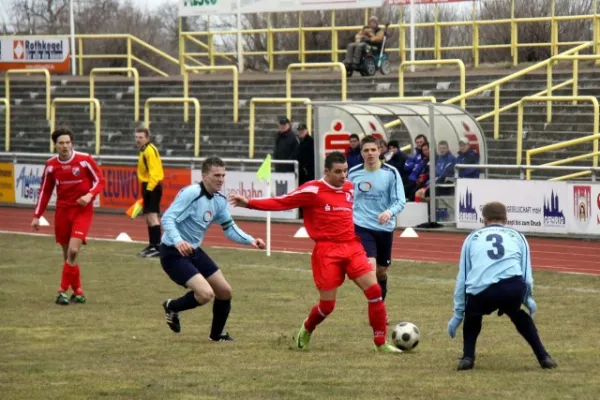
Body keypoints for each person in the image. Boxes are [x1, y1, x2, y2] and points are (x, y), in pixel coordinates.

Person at [229, 151, 401, 353]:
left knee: (374, 291)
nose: (343, 176)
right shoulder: (312, 190)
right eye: (338, 172)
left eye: (345, 171)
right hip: (327, 251)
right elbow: (281, 201)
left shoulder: (348, 188)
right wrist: (249, 203)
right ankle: (307, 328)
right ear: (326, 171)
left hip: (352, 246)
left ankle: (380, 343)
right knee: (327, 306)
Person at [159, 156, 266, 341]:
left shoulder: (219, 200)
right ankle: (172, 306)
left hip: (194, 251)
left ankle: (216, 336)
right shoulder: (191, 193)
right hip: (172, 253)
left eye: (223, 175)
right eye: (217, 175)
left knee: (224, 291)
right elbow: (167, 218)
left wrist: (251, 240)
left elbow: (229, 228)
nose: (221, 179)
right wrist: (178, 241)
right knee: (205, 294)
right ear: (204, 176)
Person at [447, 201, 557, 371]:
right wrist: (528, 299)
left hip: (482, 290)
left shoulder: (472, 238)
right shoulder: (518, 236)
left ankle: (468, 357)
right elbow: (526, 277)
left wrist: (458, 314)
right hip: (511, 287)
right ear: (506, 218)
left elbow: (463, 279)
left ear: (483, 220)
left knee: (472, 315)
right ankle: (544, 356)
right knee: (518, 314)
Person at [31, 128, 105, 305]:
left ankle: (61, 290)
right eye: (61, 143)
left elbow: (100, 181)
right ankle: (78, 291)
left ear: (72, 143)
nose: (65, 146)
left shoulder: (84, 160)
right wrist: (37, 215)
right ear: (55, 145)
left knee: (73, 250)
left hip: (82, 211)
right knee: (67, 256)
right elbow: (45, 191)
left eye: (67, 142)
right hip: (62, 211)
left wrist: (89, 196)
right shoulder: (51, 165)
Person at [348, 135, 406, 309]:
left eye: (373, 149)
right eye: (366, 150)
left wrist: (389, 212)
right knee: (369, 268)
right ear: (361, 153)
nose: (370, 153)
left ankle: (380, 301)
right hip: (361, 225)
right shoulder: (353, 173)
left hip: (384, 228)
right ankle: (377, 310)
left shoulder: (391, 173)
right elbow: (347, 198)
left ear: (380, 150)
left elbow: (400, 201)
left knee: (381, 272)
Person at [135, 126, 165, 258]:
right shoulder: (143, 150)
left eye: (140, 137)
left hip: (152, 186)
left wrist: (149, 189)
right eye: (136, 137)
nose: (138, 140)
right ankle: (152, 245)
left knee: (153, 217)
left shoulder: (149, 151)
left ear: (147, 138)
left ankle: (158, 246)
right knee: (148, 218)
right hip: (147, 185)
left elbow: (155, 172)